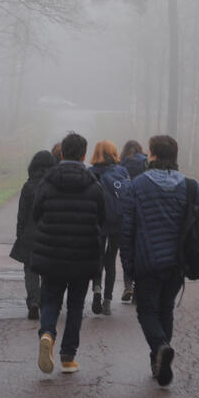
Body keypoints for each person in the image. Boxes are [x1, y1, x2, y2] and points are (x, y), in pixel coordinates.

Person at [120, 135, 199, 386]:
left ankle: (160, 348)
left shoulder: (137, 185)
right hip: (178, 261)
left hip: (147, 261)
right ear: (174, 156)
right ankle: (158, 361)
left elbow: (126, 229)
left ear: (152, 155)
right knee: (165, 309)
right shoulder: (189, 186)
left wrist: (128, 266)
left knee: (146, 310)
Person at [31, 132, 105, 374]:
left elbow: (36, 213)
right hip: (83, 256)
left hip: (52, 254)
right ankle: (68, 357)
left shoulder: (47, 181)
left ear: (62, 153)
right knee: (75, 307)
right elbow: (102, 219)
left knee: (51, 299)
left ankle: (47, 334)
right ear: (84, 155)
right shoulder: (94, 184)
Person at [10, 150, 56, 320]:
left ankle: (33, 301)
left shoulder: (28, 186)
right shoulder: (54, 185)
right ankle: (43, 300)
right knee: (48, 270)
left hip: (30, 233)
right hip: (50, 233)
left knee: (30, 269)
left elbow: (21, 213)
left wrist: (19, 233)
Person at [89, 140, 131, 316]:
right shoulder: (122, 171)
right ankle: (107, 301)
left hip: (97, 221)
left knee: (97, 256)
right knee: (111, 259)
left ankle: (97, 289)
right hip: (117, 221)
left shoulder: (91, 172)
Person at [118, 140, 147, 302]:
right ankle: (138, 291)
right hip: (143, 211)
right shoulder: (146, 163)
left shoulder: (121, 163)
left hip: (126, 210)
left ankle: (128, 284)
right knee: (141, 251)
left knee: (126, 251)